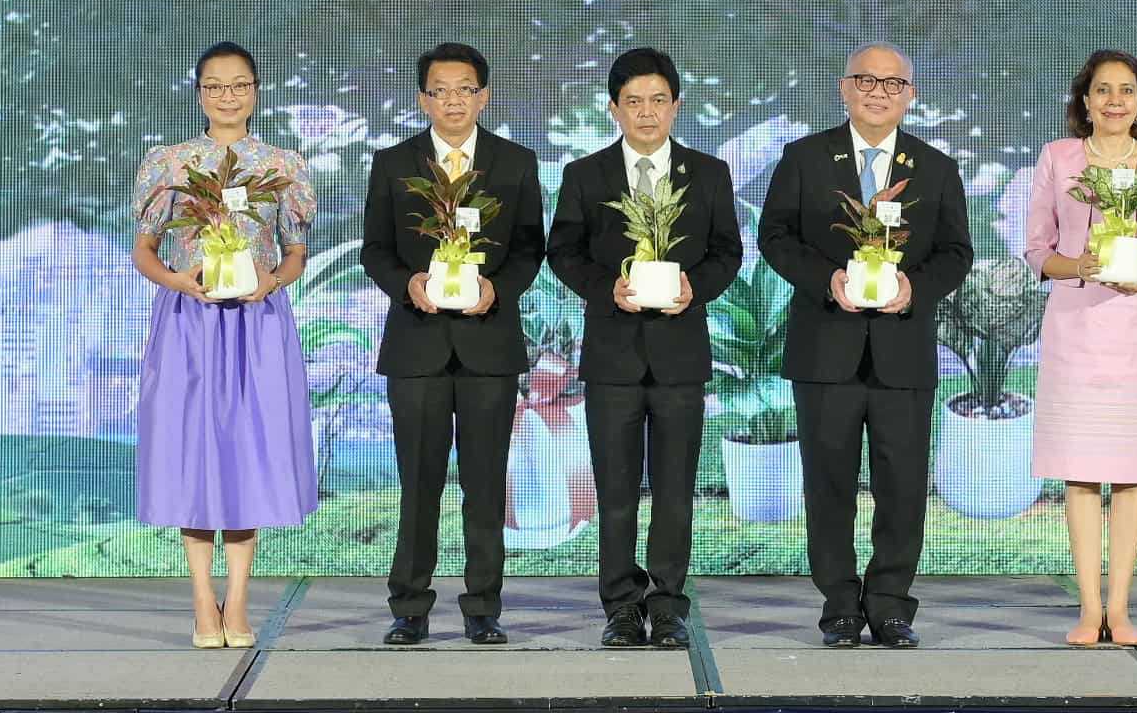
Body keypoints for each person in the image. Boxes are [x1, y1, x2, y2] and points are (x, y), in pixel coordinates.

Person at [757, 43, 974, 648]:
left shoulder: (934, 167)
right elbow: (774, 236)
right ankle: (839, 607)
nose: (878, 92)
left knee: (902, 484)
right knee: (827, 482)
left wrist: (914, 289)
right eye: (865, 80)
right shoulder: (805, 158)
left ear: (910, 94)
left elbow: (957, 252)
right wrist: (826, 281)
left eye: (892, 83)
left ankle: (892, 605)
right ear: (843, 87)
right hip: (826, 349)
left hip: (903, 353)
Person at [547, 47, 742, 649]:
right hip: (613, 356)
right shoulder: (587, 175)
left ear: (676, 106)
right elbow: (564, 251)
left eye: (659, 100)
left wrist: (694, 288)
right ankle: (621, 606)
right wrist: (609, 290)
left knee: (678, 487)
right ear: (614, 109)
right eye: (634, 102)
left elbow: (726, 253)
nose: (647, 112)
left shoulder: (708, 173)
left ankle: (669, 605)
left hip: (680, 354)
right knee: (614, 488)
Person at [131, 41, 317, 649]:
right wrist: (180, 281)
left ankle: (236, 604)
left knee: (246, 460)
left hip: (257, 324)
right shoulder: (171, 163)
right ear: (200, 94)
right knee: (190, 456)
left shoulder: (281, 164)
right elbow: (144, 250)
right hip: (189, 322)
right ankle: (200, 606)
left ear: (256, 90)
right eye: (214, 86)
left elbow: (294, 252)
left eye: (238, 85)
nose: (227, 96)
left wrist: (272, 282)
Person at [361, 43, 547, 646]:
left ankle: (483, 607)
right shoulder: (393, 164)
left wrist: (497, 290)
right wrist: (407, 283)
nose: (453, 100)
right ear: (423, 99)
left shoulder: (514, 163)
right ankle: (409, 607)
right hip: (416, 347)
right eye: (440, 90)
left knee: (486, 481)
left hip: (488, 346)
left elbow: (528, 249)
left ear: (483, 96)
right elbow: (375, 251)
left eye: (465, 89)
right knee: (419, 481)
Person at [1022, 50, 1137, 647]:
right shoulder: (1058, 159)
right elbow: (1037, 248)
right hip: (1076, 329)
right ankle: (1087, 610)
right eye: (1103, 90)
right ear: (1085, 101)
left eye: (1127, 90)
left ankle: (1119, 609)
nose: (1115, 101)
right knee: (1081, 473)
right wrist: (1079, 264)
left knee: (1130, 474)